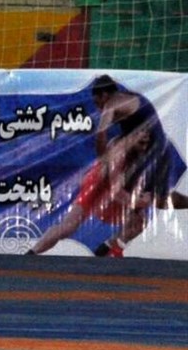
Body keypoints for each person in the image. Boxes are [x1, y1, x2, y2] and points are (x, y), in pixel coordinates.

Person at [29, 75, 185, 256]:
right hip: (106, 183)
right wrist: (136, 200)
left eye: (99, 103)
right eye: (142, 138)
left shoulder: (124, 119)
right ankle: (32, 254)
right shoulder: (119, 147)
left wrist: (139, 200)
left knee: (142, 217)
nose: (98, 108)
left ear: (105, 95)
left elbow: (104, 133)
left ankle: (109, 247)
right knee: (70, 225)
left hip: (118, 180)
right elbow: (115, 189)